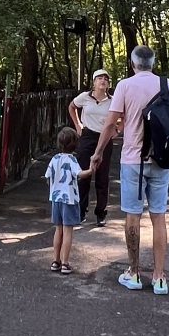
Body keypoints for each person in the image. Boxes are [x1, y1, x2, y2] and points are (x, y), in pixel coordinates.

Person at [93, 46, 169, 296]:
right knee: (158, 216)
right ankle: (160, 277)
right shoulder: (167, 84)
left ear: (132, 64)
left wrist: (98, 152)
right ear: (153, 63)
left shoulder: (124, 86)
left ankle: (134, 273)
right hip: (161, 159)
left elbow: (111, 123)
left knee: (133, 216)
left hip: (133, 160)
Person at [68, 70, 115, 225]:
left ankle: (101, 213)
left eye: (106, 79)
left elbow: (123, 116)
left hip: (105, 137)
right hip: (87, 136)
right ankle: (81, 211)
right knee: (83, 174)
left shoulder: (112, 100)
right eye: (100, 78)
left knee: (102, 176)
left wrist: (117, 130)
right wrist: (78, 125)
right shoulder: (85, 97)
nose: (103, 81)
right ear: (94, 82)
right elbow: (72, 107)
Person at [45, 127, 94, 275]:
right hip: (69, 199)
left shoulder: (55, 159)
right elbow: (80, 174)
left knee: (58, 229)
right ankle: (65, 263)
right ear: (75, 144)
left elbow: (47, 177)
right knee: (68, 231)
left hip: (56, 198)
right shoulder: (72, 160)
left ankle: (55, 261)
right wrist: (91, 170)